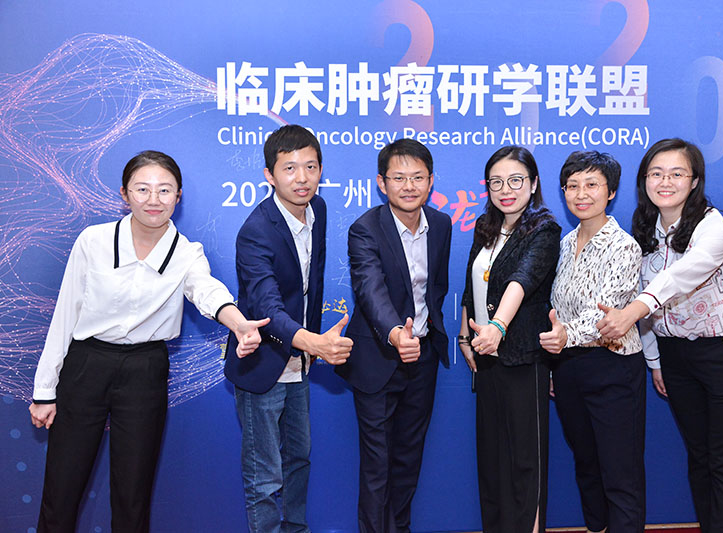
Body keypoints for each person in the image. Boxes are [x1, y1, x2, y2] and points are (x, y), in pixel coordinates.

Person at [28, 150, 268, 532]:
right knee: (61, 490)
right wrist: (44, 391)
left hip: (145, 371)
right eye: (142, 189)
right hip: (86, 364)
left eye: (164, 190)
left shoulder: (186, 253)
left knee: (133, 497)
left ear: (179, 196)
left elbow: (206, 290)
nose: (153, 199)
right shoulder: (93, 241)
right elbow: (64, 317)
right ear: (124, 194)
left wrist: (238, 323)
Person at [597, 138, 723, 532]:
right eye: (656, 173)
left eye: (676, 173)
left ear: (694, 180)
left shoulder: (714, 228)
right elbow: (648, 302)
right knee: (700, 456)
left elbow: (680, 277)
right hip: (675, 358)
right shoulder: (645, 230)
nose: (665, 182)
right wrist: (655, 361)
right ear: (644, 181)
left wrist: (633, 311)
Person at [224, 124, 352, 533]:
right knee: (264, 475)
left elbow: (308, 285)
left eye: (311, 167)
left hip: (300, 361)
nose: (302, 178)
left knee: (299, 459)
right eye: (290, 168)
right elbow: (267, 307)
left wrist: (309, 347)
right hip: (262, 363)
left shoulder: (319, 209)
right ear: (269, 174)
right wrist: (313, 341)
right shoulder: (255, 231)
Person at [335, 138, 451, 533]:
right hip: (378, 359)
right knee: (377, 464)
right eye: (398, 178)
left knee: (408, 459)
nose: (409, 186)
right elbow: (370, 289)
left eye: (417, 177)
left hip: (423, 358)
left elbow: (435, 287)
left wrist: (424, 334)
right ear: (381, 183)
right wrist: (395, 334)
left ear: (431, 181)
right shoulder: (365, 229)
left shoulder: (441, 224)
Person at [539, 151, 646, 532]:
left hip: (612, 368)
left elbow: (608, 316)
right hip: (569, 368)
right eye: (572, 186)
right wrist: (556, 363)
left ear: (611, 191)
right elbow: (558, 310)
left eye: (591, 184)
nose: (581, 194)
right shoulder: (565, 244)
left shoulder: (624, 247)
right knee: (586, 463)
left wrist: (566, 335)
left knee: (620, 471)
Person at [459, 145, 560, 533]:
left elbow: (523, 279)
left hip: (522, 357)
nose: (506, 190)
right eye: (496, 182)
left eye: (516, 180)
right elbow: (471, 285)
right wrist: (466, 335)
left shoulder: (544, 229)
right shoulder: (485, 227)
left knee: (524, 462)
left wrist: (498, 327)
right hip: (486, 359)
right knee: (493, 460)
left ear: (533, 184)